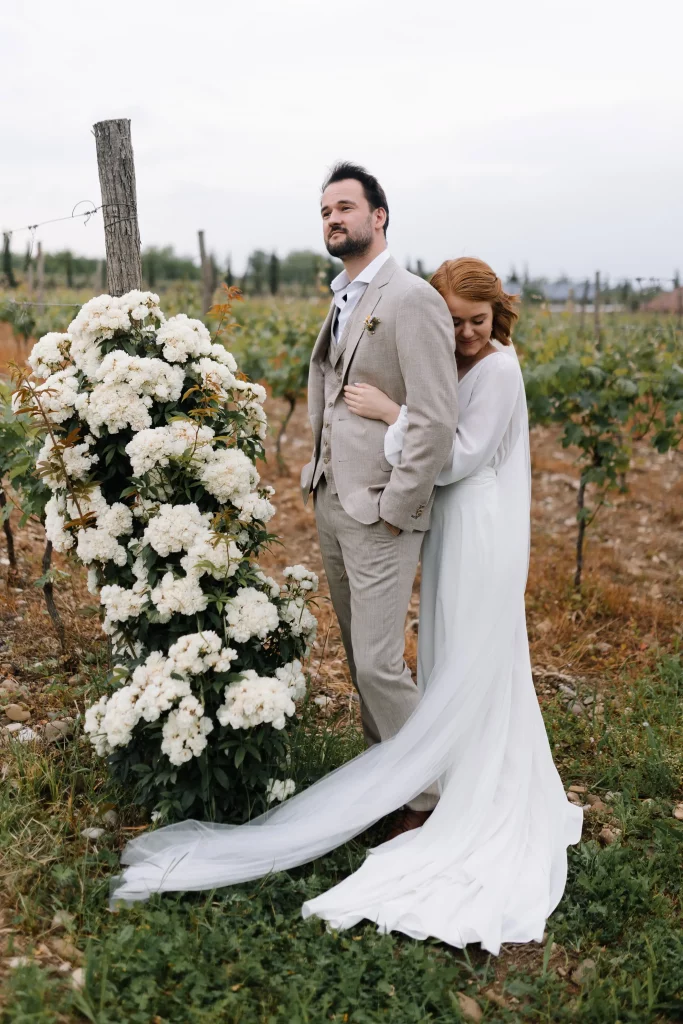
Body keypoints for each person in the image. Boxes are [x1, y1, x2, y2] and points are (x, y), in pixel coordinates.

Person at [111, 251, 582, 956]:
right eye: (453, 322)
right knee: (451, 651)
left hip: (478, 526)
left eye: (476, 322)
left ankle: (447, 785)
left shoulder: (499, 368)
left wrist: (396, 413)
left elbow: (457, 456)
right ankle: (443, 763)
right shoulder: (457, 361)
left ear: (499, 315)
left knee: (472, 648)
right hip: (450, 522)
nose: (463, 335)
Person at [300, 162, 459, 832]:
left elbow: (434, 416)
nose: (333, 219)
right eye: (325, 212)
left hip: (382, 513)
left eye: (345, 208)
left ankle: (430, 799)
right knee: (357, 656)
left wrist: (398, 506)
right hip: (334, 502)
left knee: (378, 663)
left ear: (378, 216)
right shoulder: (342, 295)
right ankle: (386, 778)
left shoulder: (411, 298)